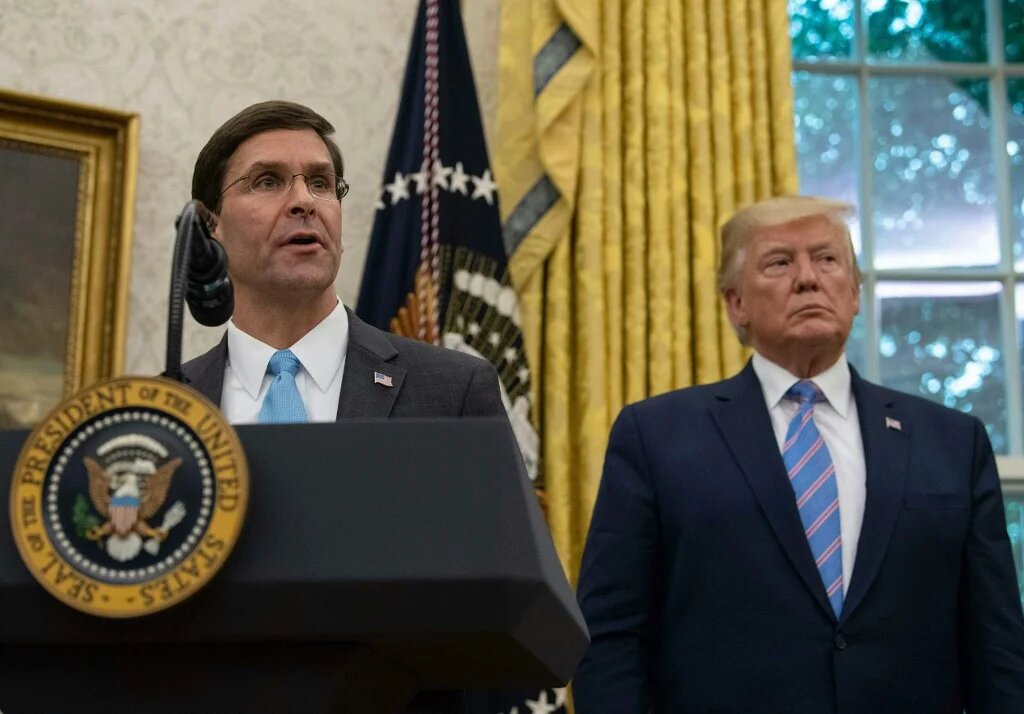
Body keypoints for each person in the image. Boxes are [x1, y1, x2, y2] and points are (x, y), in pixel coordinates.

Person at [572, 195, 1024, 712]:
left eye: (827, 259)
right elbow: (610, 636)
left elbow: (998, 647)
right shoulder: (657, 437)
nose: (808, 279)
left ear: (854, 293)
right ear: (736, 303)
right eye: (779, 262)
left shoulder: (951, 442)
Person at [181, 100, 504, 422]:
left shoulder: (455, 391)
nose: (305, 201)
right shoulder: (166, 405)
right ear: (210, 225)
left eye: (320, 183)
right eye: (268, 181)